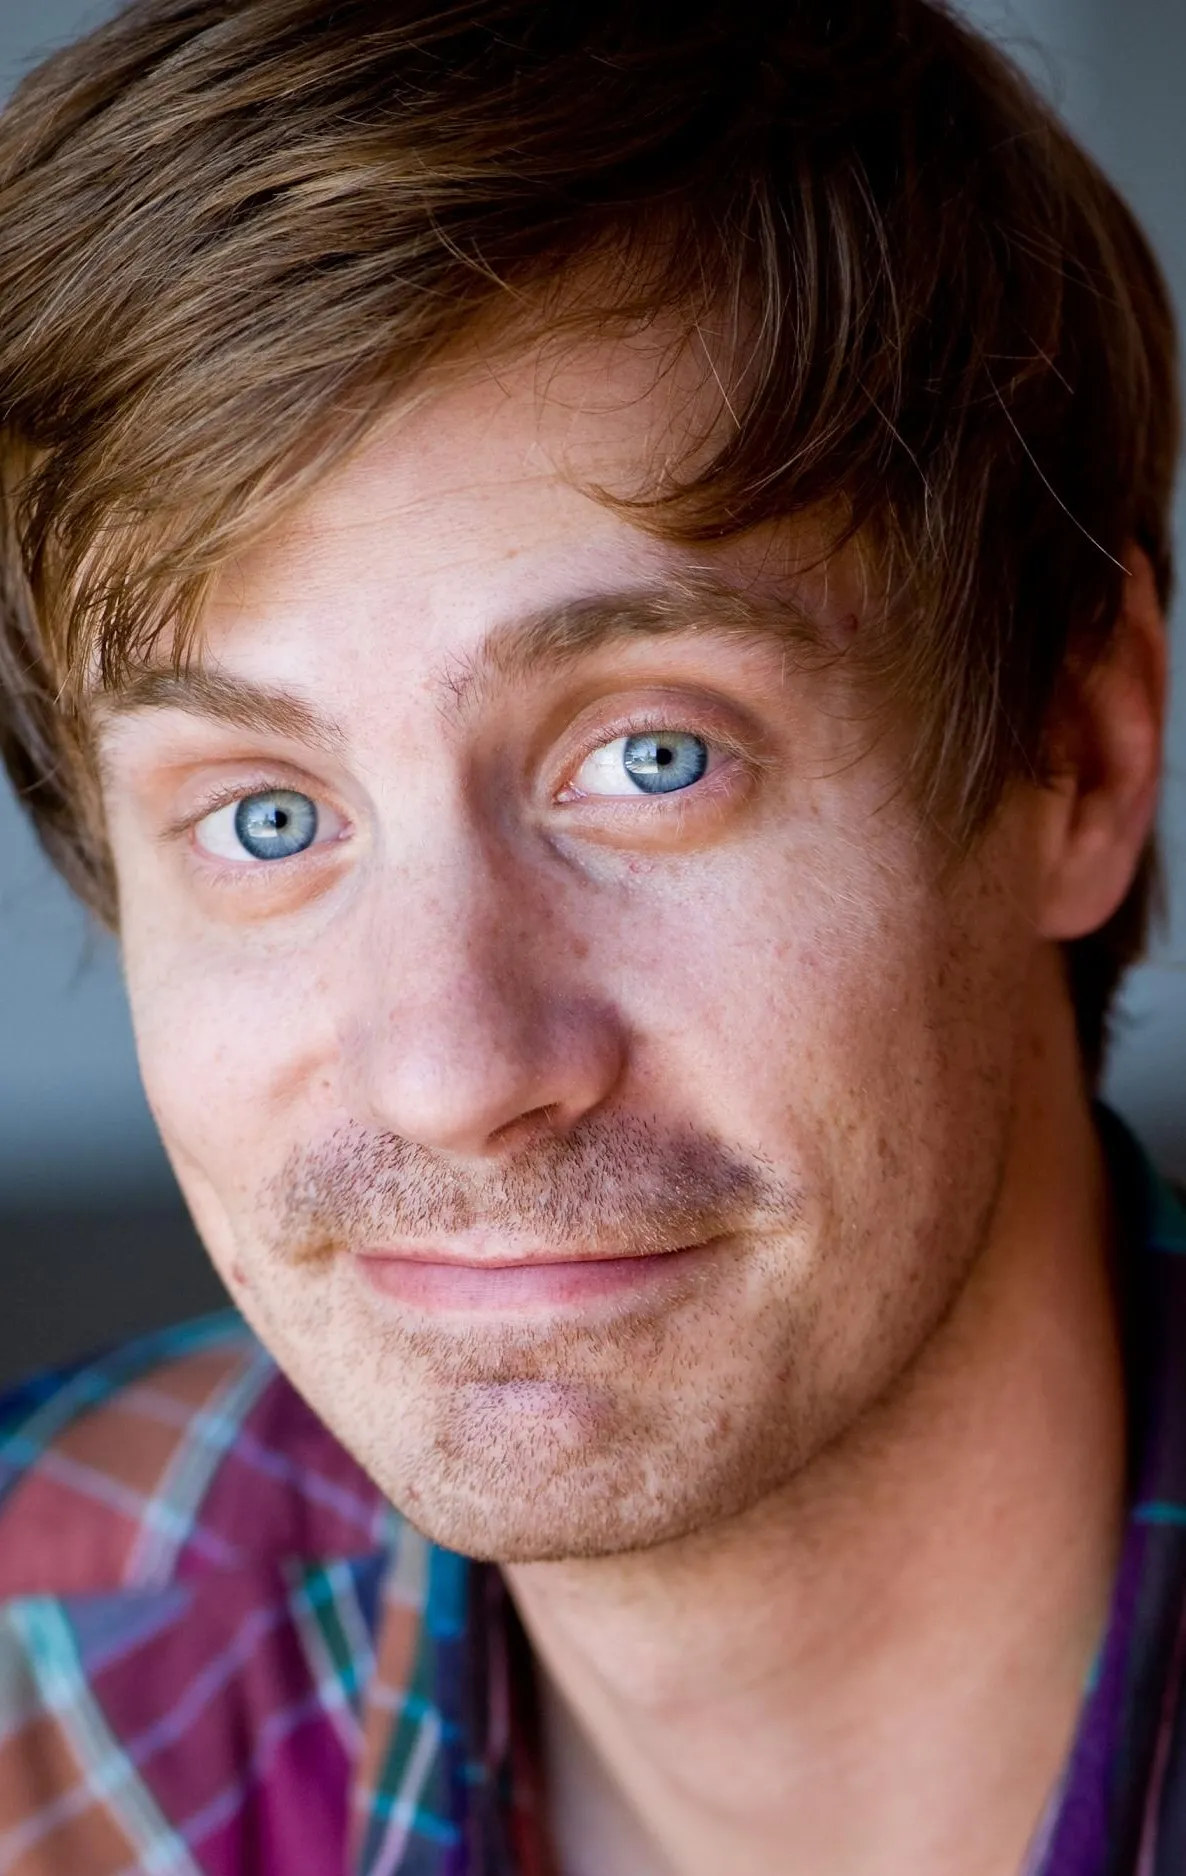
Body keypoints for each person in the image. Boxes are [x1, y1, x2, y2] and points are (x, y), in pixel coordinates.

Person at [0, 0, 1181, 1870]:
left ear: (1079, 755)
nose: (453, 1069)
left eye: (651, 757)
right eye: (266, 817)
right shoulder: (40, 1679)